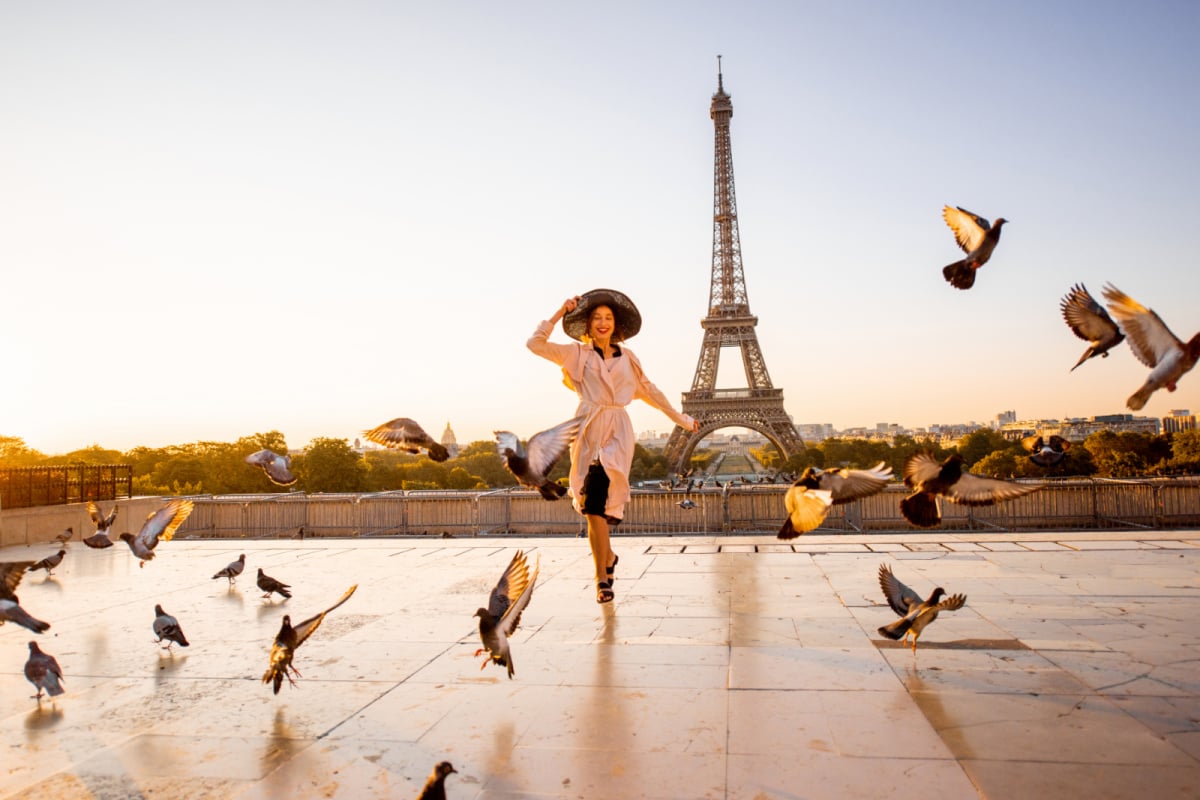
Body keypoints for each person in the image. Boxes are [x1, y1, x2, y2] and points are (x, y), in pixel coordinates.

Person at [528, 289, 699, 603]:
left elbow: (650, 391)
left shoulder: (628, 359)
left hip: (617, 433)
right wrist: (558, 312)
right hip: (588, 428)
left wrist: (682, 419)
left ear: (615, 323)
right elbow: (534, 344)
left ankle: (601, 579)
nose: (602, 323)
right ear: (587, 325)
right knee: (592, 505)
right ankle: (606, 560)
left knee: (597, 506)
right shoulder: (576, 354)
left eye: (608, 318)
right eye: (596, 318)